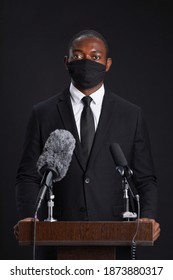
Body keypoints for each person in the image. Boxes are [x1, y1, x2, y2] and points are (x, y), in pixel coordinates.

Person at [14, 29, 160, 259]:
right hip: (55, 238)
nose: (86, 62)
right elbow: (28, 175)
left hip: (116, 238)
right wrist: (29, 216)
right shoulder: (43, 113)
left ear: (107, 63)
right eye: (78, 56)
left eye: (95, 57)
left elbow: (145, 178)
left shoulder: (131, 115)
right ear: (66, 62)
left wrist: (148, 216)